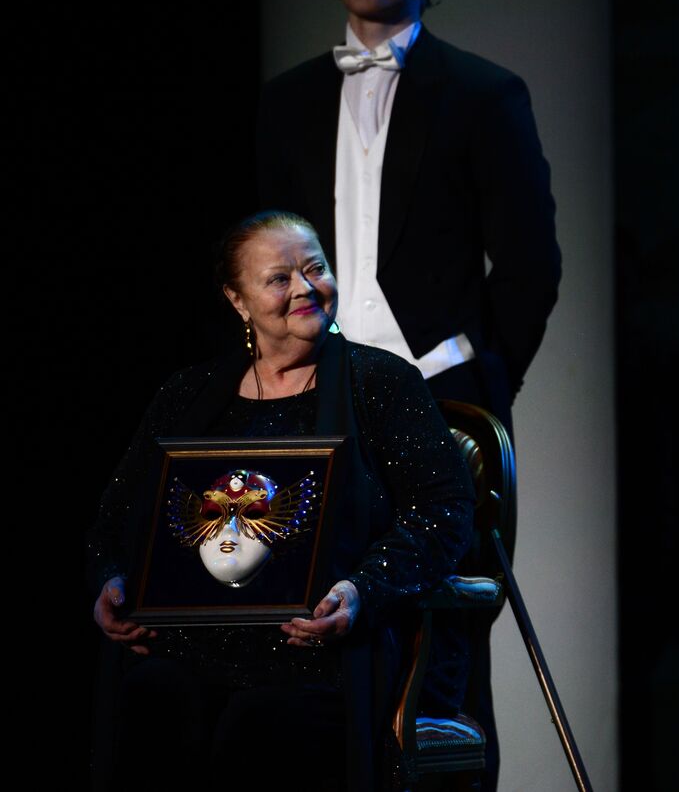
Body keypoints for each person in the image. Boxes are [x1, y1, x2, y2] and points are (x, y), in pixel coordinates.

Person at [255, 0, 562, 773]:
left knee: (445, 635)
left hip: (438, 387)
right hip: (320, 387)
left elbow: (531, 263)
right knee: (311, 610)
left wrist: (485, 378)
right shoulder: (288, 100)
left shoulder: (482, 93)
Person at [88, 211, 474, 791]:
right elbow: (117, 518)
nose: (304, 287)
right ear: (237, 299)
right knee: (153, 697)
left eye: (315, 268)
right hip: (193, 645)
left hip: (323, 650)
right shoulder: (187, 395)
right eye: (278, 278)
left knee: (264, 721)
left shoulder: (383, 382)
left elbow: (443, 511)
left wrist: (361, 590)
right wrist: (112, 580)